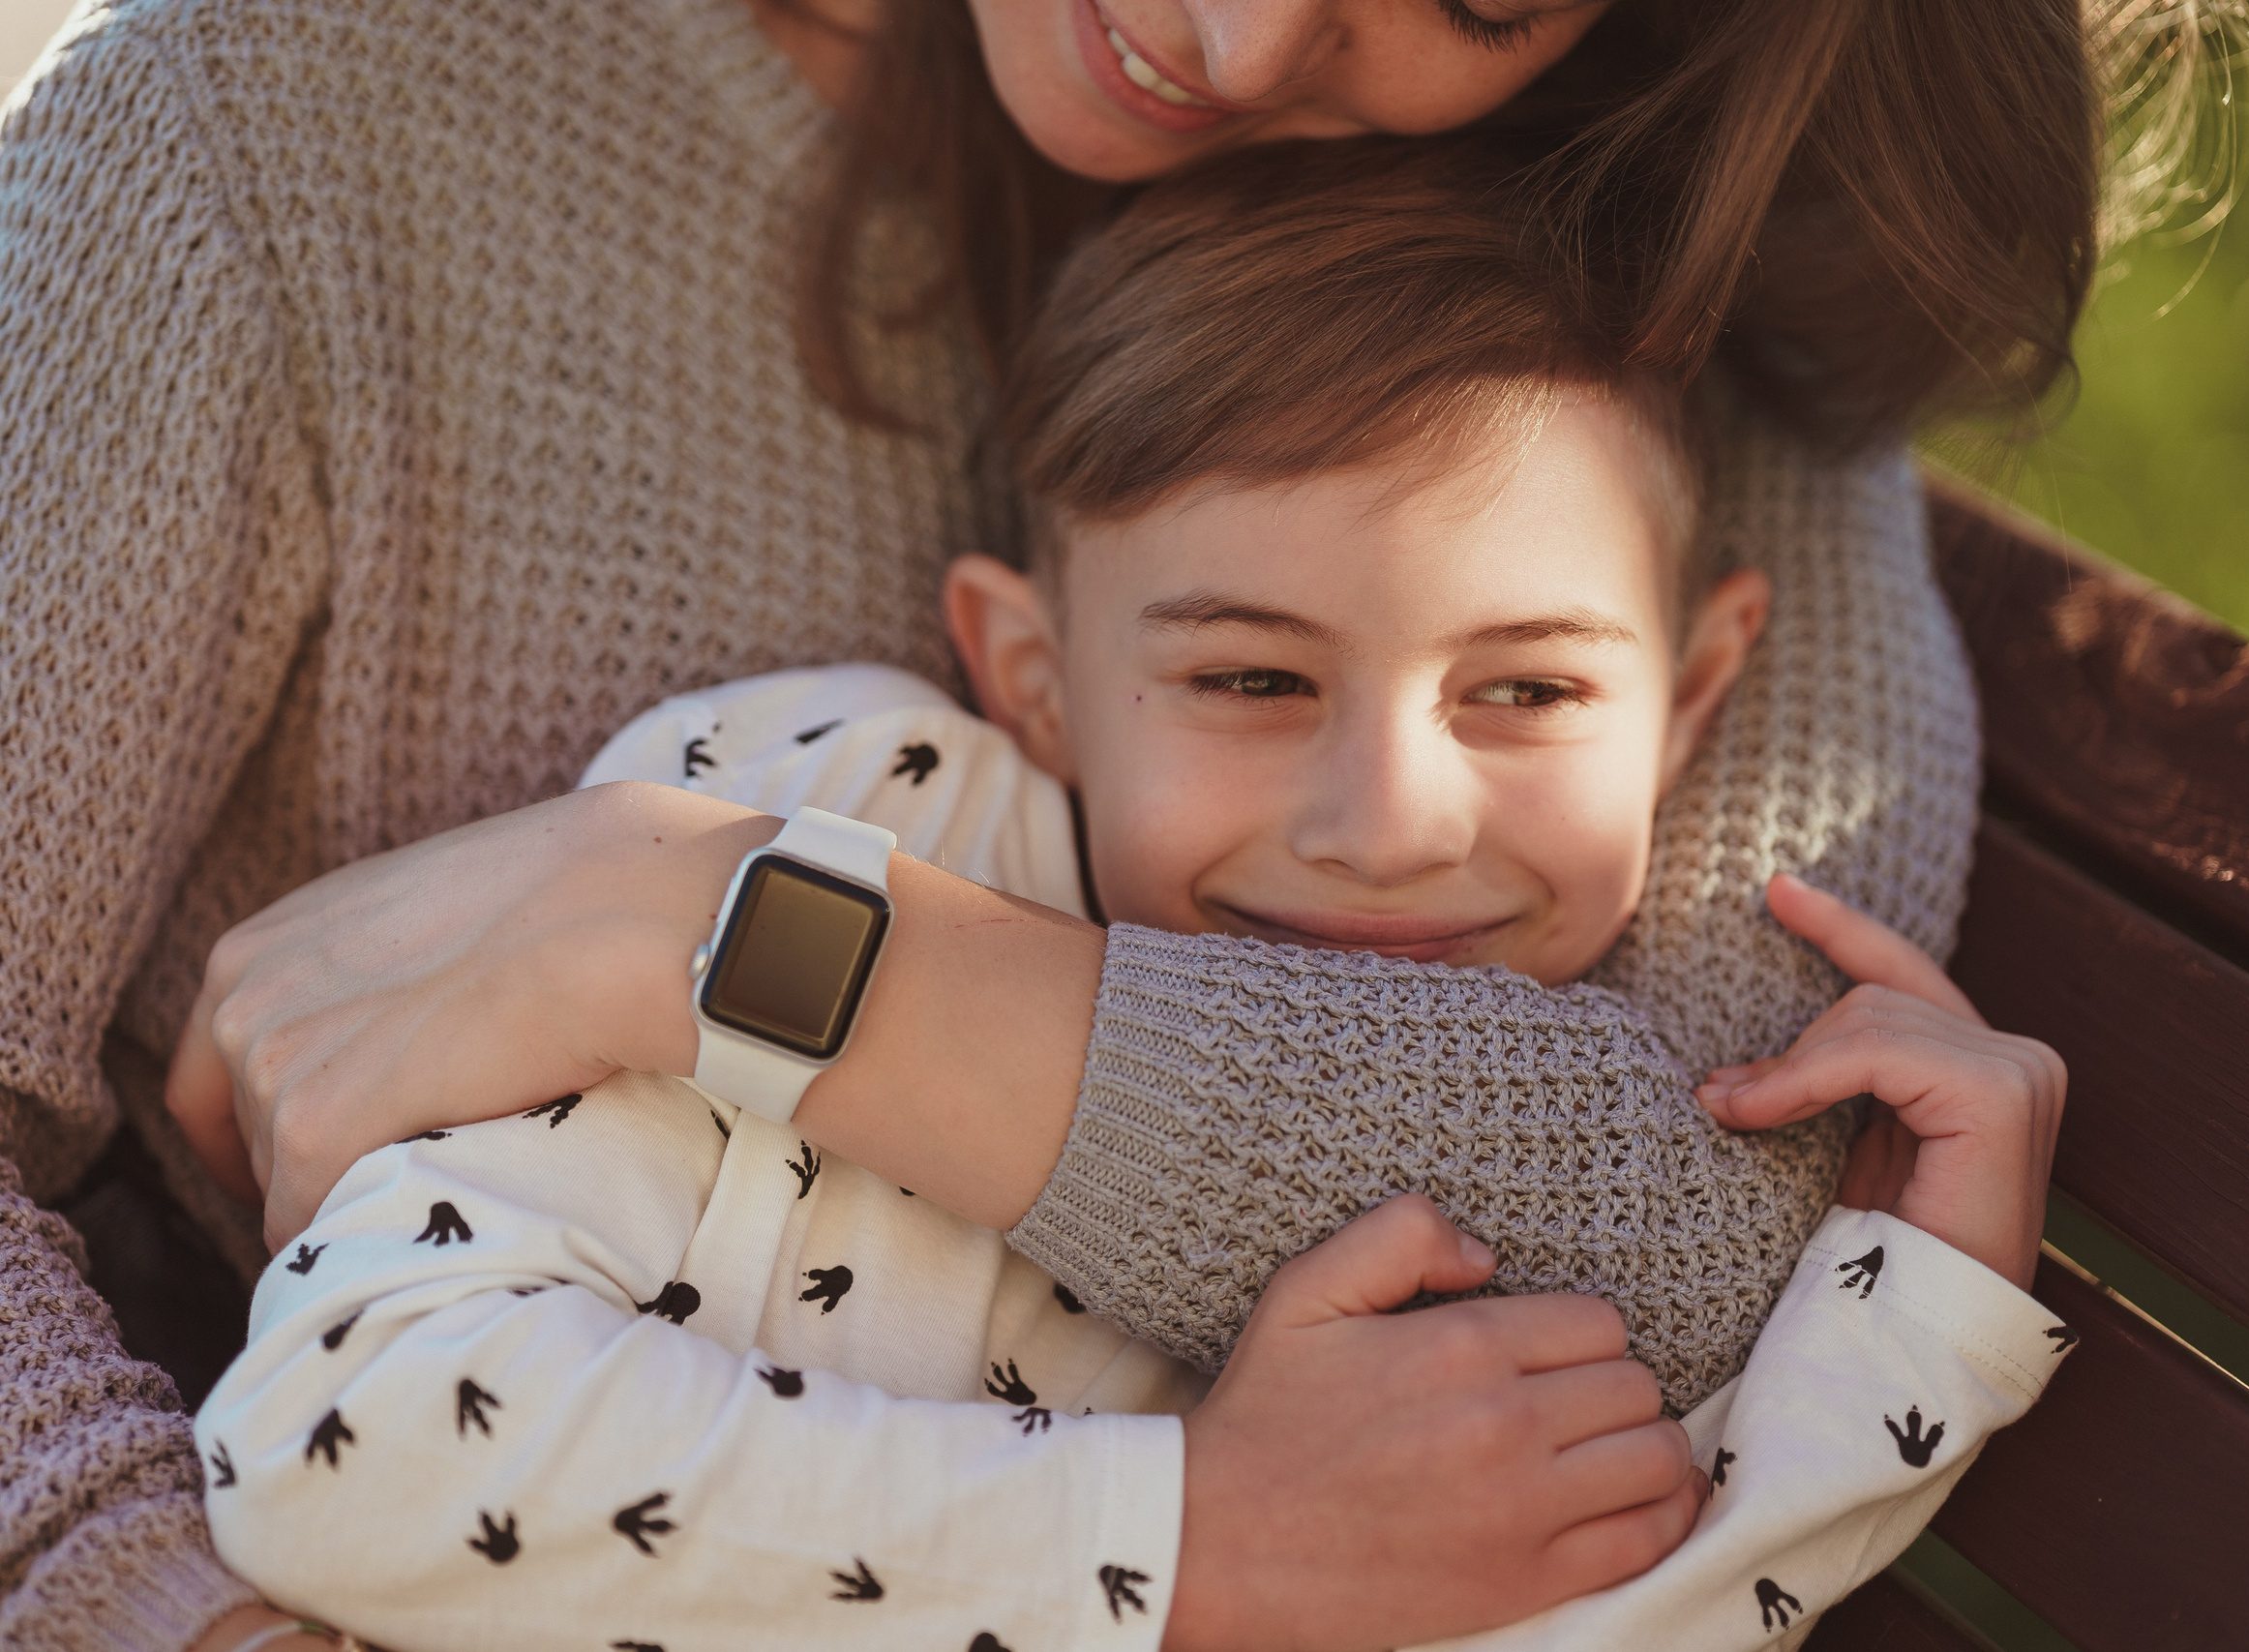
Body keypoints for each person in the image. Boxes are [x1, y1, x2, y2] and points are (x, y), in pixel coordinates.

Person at [0, 1, 2102, 1647]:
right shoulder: (253, 126)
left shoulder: (1608, 208)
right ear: (1013, 657)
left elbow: (1702, 1198)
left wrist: (710, 927)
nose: (1244, 44)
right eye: (1253, 675)